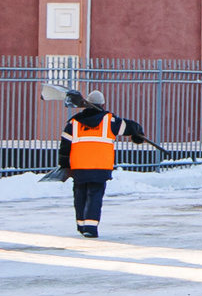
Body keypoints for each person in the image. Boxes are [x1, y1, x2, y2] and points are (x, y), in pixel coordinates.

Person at [60, 95, 144, 238]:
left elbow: (65, 146)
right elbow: (131, 126)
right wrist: (139, 133)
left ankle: (81, 225)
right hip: (100, 166)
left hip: (79, 166)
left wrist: (64, 164)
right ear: (103, 104)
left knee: (80, 195)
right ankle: (90, 228)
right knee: (95, 196)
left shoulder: (73, 122)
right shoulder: (110, 121)